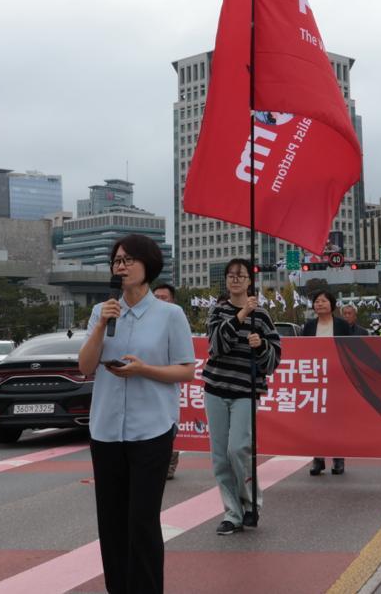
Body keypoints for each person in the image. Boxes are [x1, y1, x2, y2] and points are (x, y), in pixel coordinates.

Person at [78, 234, 196, 594]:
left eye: (129, 260)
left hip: (152, 431)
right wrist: (101, 325)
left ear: (148, 265)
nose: (121, 266)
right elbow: (85, 366)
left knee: (142, 522)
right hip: (106, 431)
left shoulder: (170, 315)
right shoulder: (102, 311)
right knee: (111, 523)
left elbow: (186, 370)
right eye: (117, 260)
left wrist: (144, 369)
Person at [203, 259, 282, 534]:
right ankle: (232, 513)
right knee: (220, 457)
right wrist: (240, 316)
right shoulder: (218, 311)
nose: (235, 279)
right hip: (215, 389)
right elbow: (216, 346)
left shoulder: (262, 316)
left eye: (241, 275)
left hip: (246, 392)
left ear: (250, 281)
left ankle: (250, 504)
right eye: (231, 275)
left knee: (238, 449)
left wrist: (260, 347)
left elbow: (273, 359)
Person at [304, 290, 353, 475]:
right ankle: (318, 459)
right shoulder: (309, 326)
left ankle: (338, 458)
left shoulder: (342, 325)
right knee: (316, 420)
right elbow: (302, 350)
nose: (320, 304)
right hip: (315, 378)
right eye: (317, 301)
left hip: (337, 378)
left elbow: (350, 350)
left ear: (332, 305)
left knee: (336, 419)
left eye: (323, 301)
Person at [151, 282, 183, 479]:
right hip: (145, 386)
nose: (159, 302)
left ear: (173, 301)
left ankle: (170, 461)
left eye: (164, 298)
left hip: (168, 384)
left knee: (168, 424)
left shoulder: (177, 322)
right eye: (156, 298)